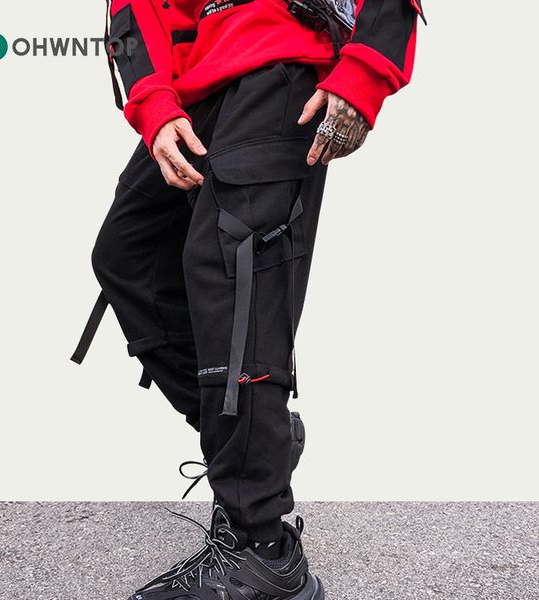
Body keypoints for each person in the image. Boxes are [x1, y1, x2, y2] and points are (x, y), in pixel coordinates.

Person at [72, 0, 425, 598]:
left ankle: (263, 550)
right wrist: (154, 103)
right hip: (199, 86)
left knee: (237, 281)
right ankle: (263, 440)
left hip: (279, 68)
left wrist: (364, 73)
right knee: (130, 256)